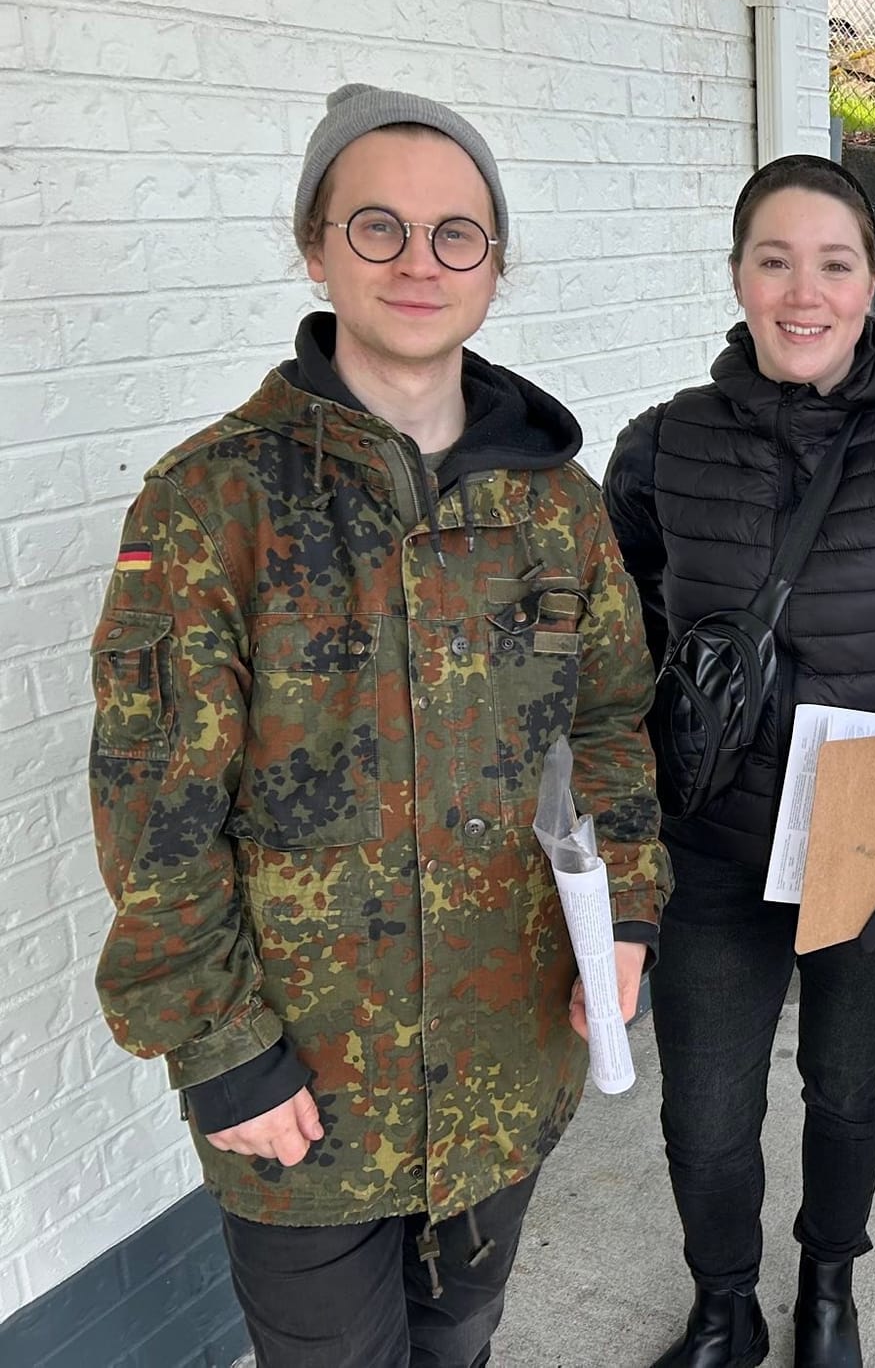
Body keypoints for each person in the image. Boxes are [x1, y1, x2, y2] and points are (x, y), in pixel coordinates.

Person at [88, 84, 666, 1367]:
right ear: (313, 247)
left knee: (461, 1341)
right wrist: (222, 1046)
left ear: (495, 266)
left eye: (456, 232)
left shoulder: (556, 508)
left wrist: (622, 915)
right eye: (378, 227)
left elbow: (616, 725)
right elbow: (152, 804)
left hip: (505, 1055)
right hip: (304, 1081)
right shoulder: (212, 503)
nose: (420, 261)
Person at [603, 153, 875, 1368]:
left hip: (872, 845)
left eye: (832, 264)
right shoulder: (663, 445)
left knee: (845, 1089)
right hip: (713, 844)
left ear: (871, 281)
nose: (804, 292)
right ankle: (724, 1304)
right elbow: (610, 628)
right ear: (736, 275)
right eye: (773, 261)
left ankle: (828, 1289)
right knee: (705, 1110)